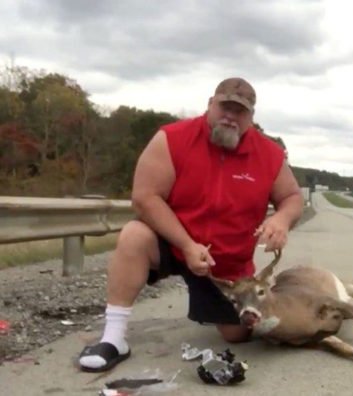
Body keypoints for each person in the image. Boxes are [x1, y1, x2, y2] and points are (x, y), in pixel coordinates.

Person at [78, 77, 304, 372]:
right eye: (225, 107)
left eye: (240, 112)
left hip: (225, 263)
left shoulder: (269, 155)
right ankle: (114, 338)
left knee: (237, 335)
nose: (230, 117)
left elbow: (292, 197)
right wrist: (186, 244)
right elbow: (145, 198)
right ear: (210, 105)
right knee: (134, 235)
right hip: (173, 244)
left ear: (251, 118)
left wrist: (281, 218)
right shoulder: (172, 139)